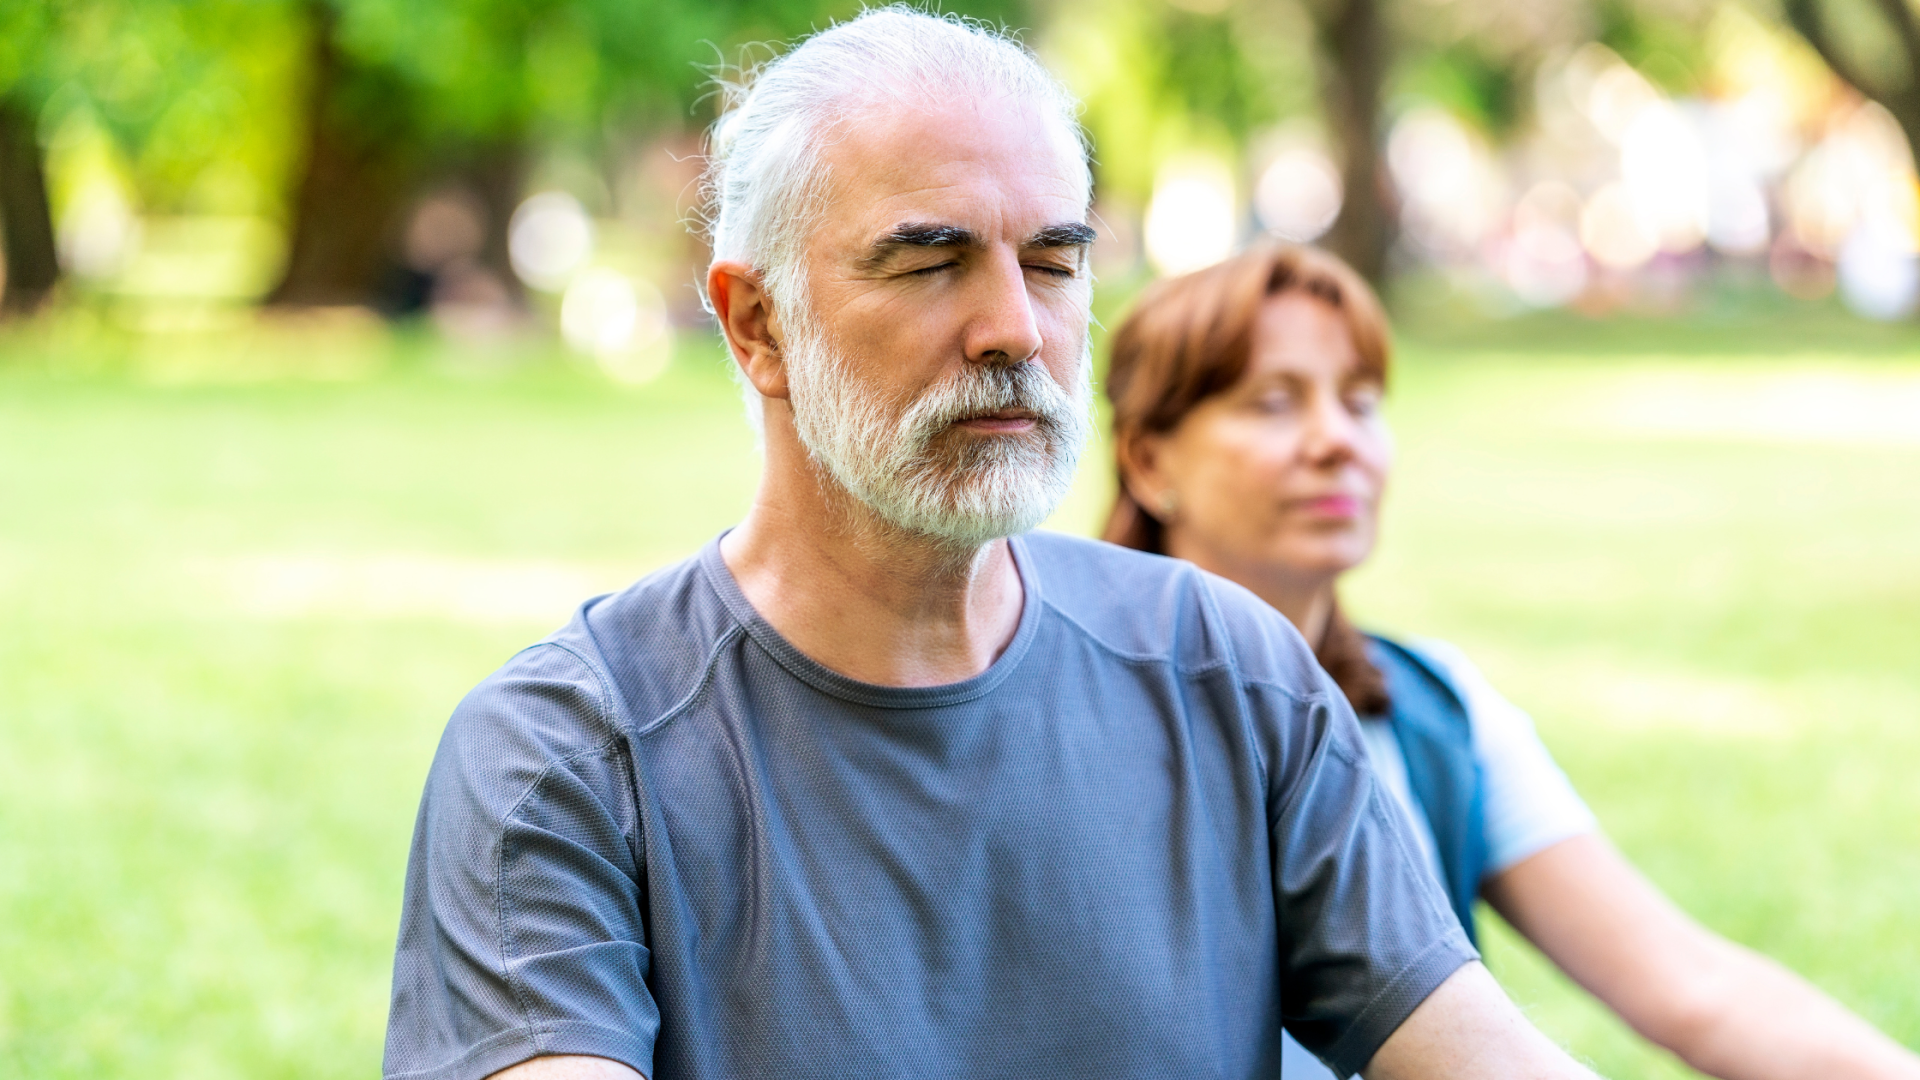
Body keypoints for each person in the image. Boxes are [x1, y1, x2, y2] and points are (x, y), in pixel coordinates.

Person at [380, 11, 1607, 1080]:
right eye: (931, 261)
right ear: (757, 324)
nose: (1014, 329)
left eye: (1055, 262)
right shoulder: (568, 756)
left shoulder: (1231, 671)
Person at [1102, 241, 1920, 1080]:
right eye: (1275, 402)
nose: (1334, 440)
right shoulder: (1072, 726)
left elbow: (1693, 987)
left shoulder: (1430, 713)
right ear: (1150, 461)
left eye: (1360, 401)